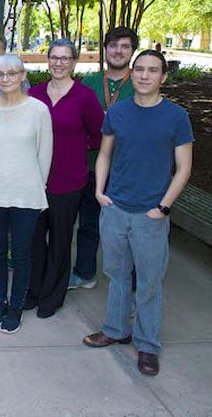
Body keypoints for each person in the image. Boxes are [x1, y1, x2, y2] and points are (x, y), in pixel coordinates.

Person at [83, 50, 193, 377]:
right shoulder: (118, 111)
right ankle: (115, 329)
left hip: (150, 214)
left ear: (163, 77)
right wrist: (100, 191)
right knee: (116, 275)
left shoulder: (176, 117)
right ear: (133, 74)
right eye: (140, 70)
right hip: (116, 207)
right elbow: (104, 154)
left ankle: (147, 345)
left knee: (148, 282)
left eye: (153, 70)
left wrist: (162, 208)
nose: (145, 76)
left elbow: (184, 168)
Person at [25, 39, 104, 318]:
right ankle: (32, 291)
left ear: (74, 61)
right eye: (54, 57)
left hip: (68, 182)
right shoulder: (33, 94)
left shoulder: (84, 96)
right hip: (34, 180)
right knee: (33, 240)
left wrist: (74, 149)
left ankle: (52, 296)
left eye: (65, 58)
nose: (58, 63)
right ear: (47, 60)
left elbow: (97, 137)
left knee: (60, 240)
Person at [0, 54, 52, 334]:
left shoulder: (38, 110)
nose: (5, 79)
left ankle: (16, 305)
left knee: (21, 254)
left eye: (12, 73)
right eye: (0, 74)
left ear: (22, 75)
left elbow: (44, 154)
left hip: (26, 194)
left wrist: (34, 186)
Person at [69, 26, 137, 290]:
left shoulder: (139, 81)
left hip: (126, 170)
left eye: (125, 46)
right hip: (90, 165)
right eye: (113, 45)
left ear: (132, 51)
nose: (118, 51)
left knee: (127, 231)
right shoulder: (89, 84)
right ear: (105, 49)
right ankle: (85, 272)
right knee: (88, 223)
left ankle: (129, 286)